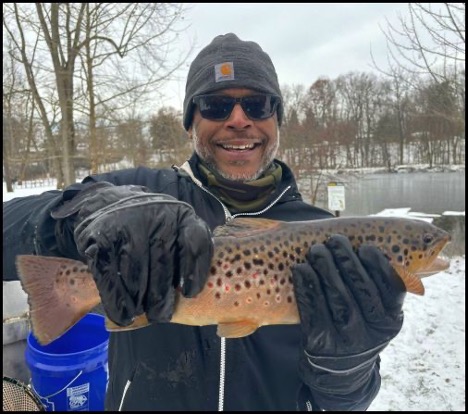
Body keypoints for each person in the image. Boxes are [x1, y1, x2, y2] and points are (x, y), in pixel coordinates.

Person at [3, 33, 406, 411]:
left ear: (276, 119)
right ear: (191, 122)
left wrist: (345, 370)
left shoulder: (324, 239)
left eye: (257, 104)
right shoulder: (136, 194)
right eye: (215, 105)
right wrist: (70, 219)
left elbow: (345, 403)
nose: (238, 119)